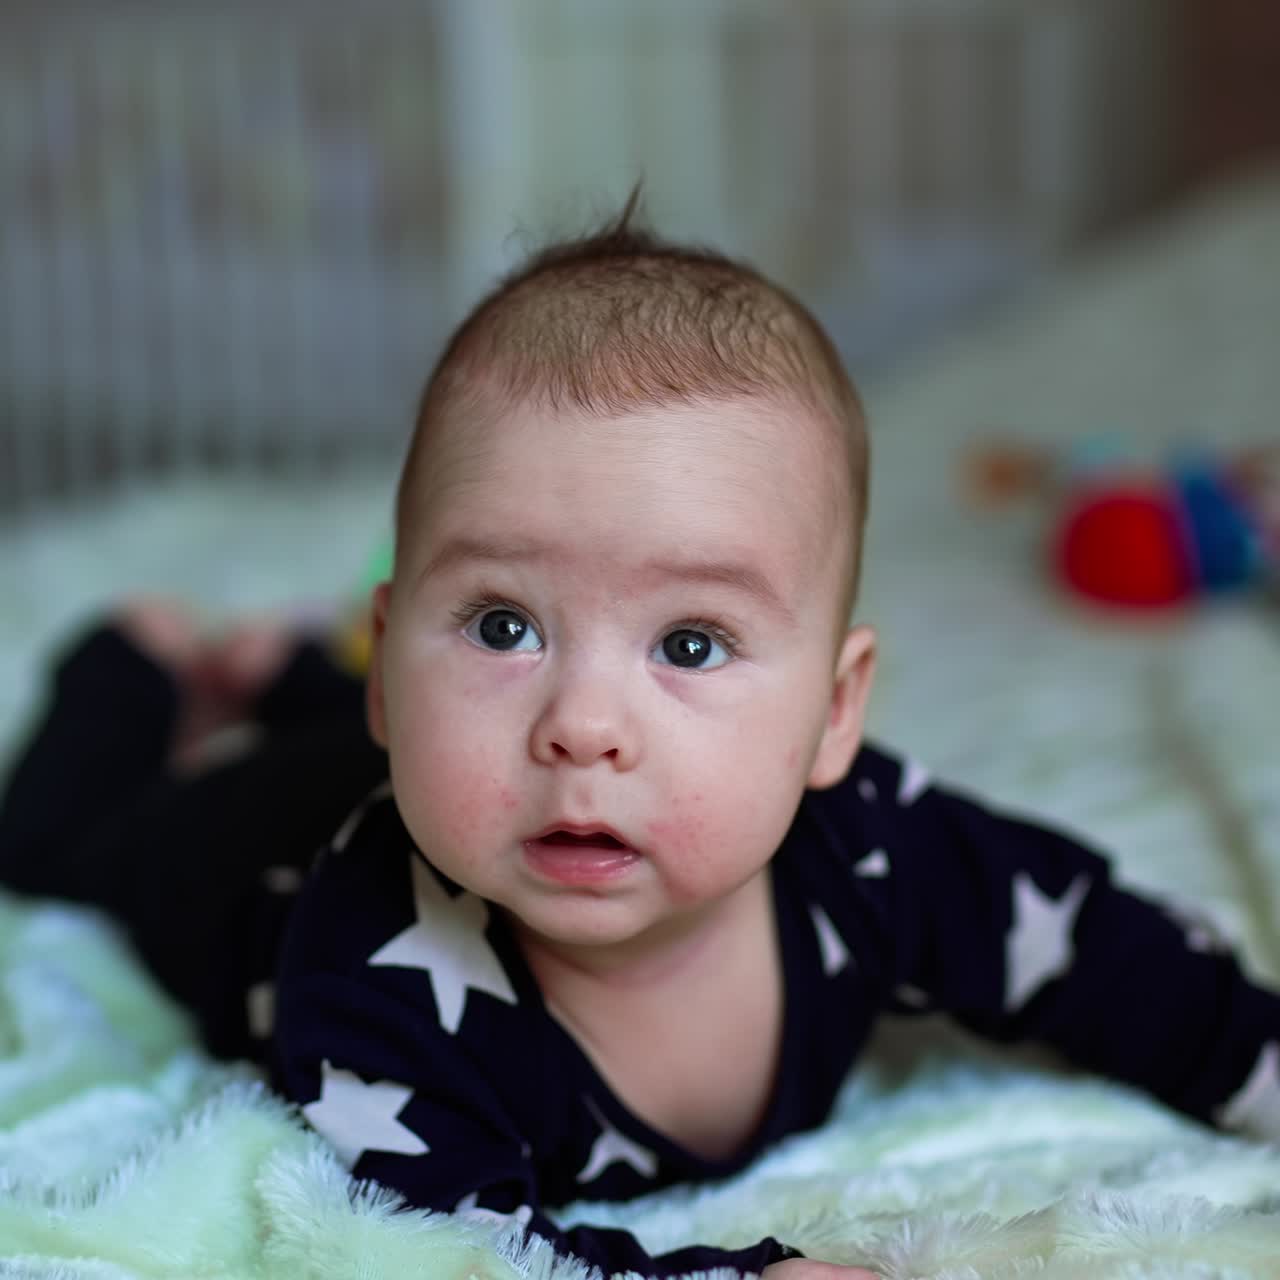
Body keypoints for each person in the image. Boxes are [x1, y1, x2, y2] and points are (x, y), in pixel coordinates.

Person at [4, 198, 1280, 1280]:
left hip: (404, 744)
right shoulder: (382, 974)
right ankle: (133, 659)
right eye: (503, 620)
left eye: (688, 643)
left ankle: (293, 669)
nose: (583, 726)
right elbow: (456, 1247)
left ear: (835, 712)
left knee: (412, 734)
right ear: (396, 653)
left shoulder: (872, 852)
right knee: (46, 847)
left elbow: (1115, 955)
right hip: (228, 846)